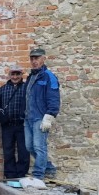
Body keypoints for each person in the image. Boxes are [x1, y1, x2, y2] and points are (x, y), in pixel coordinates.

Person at [24, 48, 60, 181]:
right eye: (32, 58)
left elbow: (54, 98)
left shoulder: (49, 76)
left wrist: (49, 116)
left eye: (37, 58)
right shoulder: (30, 77)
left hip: (40, 117)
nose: (34, 61)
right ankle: (48, 168)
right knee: (29, 146)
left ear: (44, 59)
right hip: (28, 118)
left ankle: (38, 175)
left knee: (39, 147)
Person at [0, 65, 29, 179]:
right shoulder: (3, 89)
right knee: (8, 151)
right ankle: (10, 176)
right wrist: (1, 117)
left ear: (21, 75)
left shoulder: (26, 87)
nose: (15, 77)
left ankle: (21, 175)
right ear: (9, 75)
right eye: (13, 74)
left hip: (23, 125)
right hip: (7, 126)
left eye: (17, 74)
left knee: (24, 151)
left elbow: (31, 104)